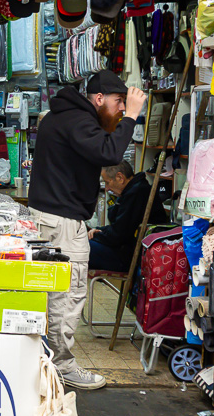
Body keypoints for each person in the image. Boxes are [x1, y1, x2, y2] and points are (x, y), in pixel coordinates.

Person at [29, 70, 147, 390]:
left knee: (49, 296)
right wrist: (132, 116)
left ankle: (44, 362)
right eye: (118, 101)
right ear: (98, 99)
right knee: (66, 297)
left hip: (50, 219)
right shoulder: (78, 120)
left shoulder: (61, 116)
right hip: (63, 224)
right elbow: (110, 153)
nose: (121, 108)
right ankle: (62, 366)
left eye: (124, 104)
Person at [87, 160, 170, 273]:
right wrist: (99, 231)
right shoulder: (132, 190)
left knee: (81, 247)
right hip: (126, 249)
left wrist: (96, 235)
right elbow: (117, 224)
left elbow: (118, 235)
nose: (107, 188)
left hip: (131, 258)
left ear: (120, 177)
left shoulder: (136, 193)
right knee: (82, 244)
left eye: (107, 182)